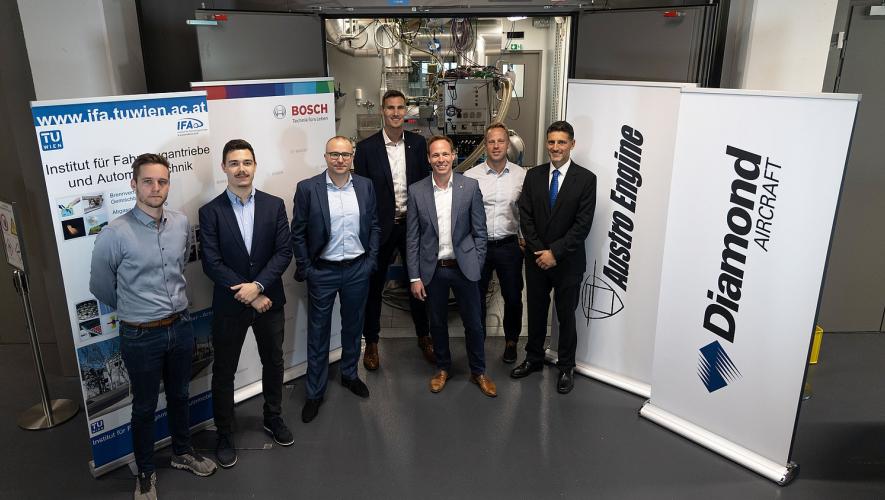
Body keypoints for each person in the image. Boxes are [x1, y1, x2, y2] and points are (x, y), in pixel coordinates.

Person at [90, 153, 217, 500]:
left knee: (180, 395)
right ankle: (145, 472)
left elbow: (180, 266)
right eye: (148, 181)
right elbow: (101, 287)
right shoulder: (114, 234)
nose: (155, 188)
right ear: (134, 184)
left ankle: (182, 452)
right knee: (144, 407)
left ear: (168, 185)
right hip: (141, 334)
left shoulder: (180, 223)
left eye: (162, 181)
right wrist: (136, 308)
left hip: (180, 326)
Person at [198, 139, 294, 468]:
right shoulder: (210, 212)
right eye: (234, 163)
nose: (241, 169)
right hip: (231, 304)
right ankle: (225, 433)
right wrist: (248, 292)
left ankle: (273, 417)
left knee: (274, 362)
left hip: (269, 300)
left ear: (255, 165)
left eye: (247, 162)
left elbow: (283, 251)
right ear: (224, 168)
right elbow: (211, 262)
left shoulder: (274, 205)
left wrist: (258, 286)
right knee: (224, 371)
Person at [291, 136, 380, 423]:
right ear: (326, 157)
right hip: (323, 272)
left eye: (345, 154)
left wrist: (371, 261)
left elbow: (374, 225)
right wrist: (308, 268)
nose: (340, 159)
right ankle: (314, 392)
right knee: (318, 332)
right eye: (334, 154)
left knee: (353, 327)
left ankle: (349, 374)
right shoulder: (308, 188)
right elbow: (298, 233)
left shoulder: (365, 186)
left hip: (357, 269)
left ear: (352, 156)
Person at [511, 121, 596, 394]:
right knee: (536, 311)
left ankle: (566, 366)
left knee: (566, 316)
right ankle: (534, 358)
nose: (555, 147)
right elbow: (525, 216)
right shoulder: (533, 176)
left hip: (567, 262)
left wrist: (555, 253)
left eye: (561, 142)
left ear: (572, 144)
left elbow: (582, 225)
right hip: (537, 260)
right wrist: (540, 252)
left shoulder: (586, 179)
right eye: (551, 142)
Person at [406, 135, 496, 397]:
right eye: (435, 155)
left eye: (445, 154)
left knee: (474, 324)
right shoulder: (417, 191)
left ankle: (478, 371)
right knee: (437, 323)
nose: (441, 159)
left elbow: (480, 231)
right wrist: (414, 277)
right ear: (428, 159)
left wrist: (477, 263)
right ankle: (443, 368)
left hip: (464, 267)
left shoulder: (469, 187)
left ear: (454, 155)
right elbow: (412, 238)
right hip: (433, 269)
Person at [354, 89, 432, 370]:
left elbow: (425, 185)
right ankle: (372, 342)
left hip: (412, 226)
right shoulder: (366, 149)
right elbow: (362, 193)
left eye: (400, 107)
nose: (396, 112)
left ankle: (424, 336)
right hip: (381, 228)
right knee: (374, 287)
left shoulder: (418, 144)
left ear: (405, 111)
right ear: (382, 111)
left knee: (418, 283)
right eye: (390, 108)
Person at [464, 122, 527, 364]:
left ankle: (511, 341)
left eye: (501, 141)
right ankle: (477, 341)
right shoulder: (471, 176)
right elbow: (463, 214)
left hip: (509, 246)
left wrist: (523, 238)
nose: (496, 146)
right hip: (479, 247)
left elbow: (526, 211)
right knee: (476, 297)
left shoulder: (521, 176)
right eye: (491, 141)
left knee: (513, 297)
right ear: (485, 145)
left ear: (508, 144)